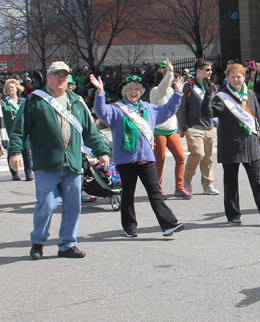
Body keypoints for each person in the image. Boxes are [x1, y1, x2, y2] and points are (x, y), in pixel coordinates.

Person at [8, 61, 111, 259]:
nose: (61, 79)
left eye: (64, 75)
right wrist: (14, 152)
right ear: (49, 77)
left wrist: (102, 152)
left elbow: (91, 133)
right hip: (47, 164)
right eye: (57, 75)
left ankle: (67, 244)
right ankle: (38, 242)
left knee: (73, 207)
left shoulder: (78, 102)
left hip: (72, 164)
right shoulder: (34, 101)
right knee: (45, 205)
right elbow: (19, 130)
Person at [90, 72, 185, 238]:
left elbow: (169, 109)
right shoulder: (117, 109)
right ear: (124, 91)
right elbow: (101, 112)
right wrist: (100, 93)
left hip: (146, 159)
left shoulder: (149, 109)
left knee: (155, 192)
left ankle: (168, 224)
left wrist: (177, 93)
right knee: (128, 194)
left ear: (141, 92)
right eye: (130, 89)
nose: (133, 92)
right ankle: (129, 227)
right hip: (125, 159)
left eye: (137, 89)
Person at [202, 63, 260, 226]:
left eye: (239, 76)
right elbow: (206, 114)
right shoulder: (222, 96)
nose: (236, 80)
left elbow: (258, 118)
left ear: (244, 77)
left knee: (257, 180)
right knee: (231, 183)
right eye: (232, 77)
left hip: (251, 144)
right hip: (230, 145)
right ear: (227, 78)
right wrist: (207, 97)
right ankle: (233, 216)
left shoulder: (249, 95)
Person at [176, 58, 219, 195]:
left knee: (207, 157)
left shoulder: (212, 86)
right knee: (198, 153)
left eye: (210, 69)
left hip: (210, 127)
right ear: (198, 70)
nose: (210, 72)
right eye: (207, 69)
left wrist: (216, 124)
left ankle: (208, 185)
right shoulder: (188, 86)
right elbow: (181, 107)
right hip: (194, 126)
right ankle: (187, 180)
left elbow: (216, 106)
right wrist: (184, 126)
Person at [150, 60, 192, 199]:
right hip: (159, 131)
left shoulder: (170, 91)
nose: (172, 79)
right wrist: (170, 72)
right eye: (168, 77)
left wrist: (180, 127)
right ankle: (157, 189)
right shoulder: (155, 92)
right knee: (159, 162)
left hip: (171, 130)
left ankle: (179, 187)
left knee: (180, 158)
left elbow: (175, 109)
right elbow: (162, 87)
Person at [2, 79, 33, 181]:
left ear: (17, 89)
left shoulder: (23, 101)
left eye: (12, 87)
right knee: (12, 152)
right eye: (8, 88)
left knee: (27, 152)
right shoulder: (4, 102)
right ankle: (14, 173)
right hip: (10, 130)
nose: (10, 89)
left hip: (24, 130)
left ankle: (28, 173)